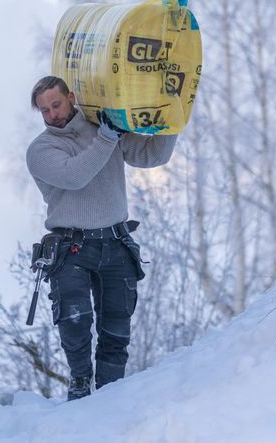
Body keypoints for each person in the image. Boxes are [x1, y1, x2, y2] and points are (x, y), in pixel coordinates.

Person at [25, 75, 178, 400]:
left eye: (56, 104)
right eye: (45, 110)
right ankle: (80, 386)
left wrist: (172, 117)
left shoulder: (102, 125)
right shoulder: (41, 149)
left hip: (115, 243)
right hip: (71, 249)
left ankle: (110, 396)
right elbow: (75, 176)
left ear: (71, 96)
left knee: (116, 329)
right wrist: (107, 137)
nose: (52, 114)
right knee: (76, 321)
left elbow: (151, 156)